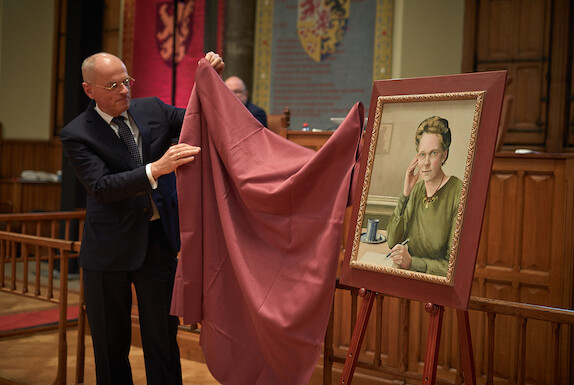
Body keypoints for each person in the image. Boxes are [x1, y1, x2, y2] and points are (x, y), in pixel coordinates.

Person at [60, 51, 224, 385]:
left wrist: (209, 79)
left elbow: (198, 117)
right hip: (107, 254)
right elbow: (101, 187)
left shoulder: (152, 109)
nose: (123, 90)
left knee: (163, 341)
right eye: (112, 85)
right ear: (89, 90)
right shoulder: (77, 133)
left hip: (157, 245)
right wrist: (156, 168)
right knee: (110, 346)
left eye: (126, 81)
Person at [386, 116, 462, 277]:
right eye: (422, 155)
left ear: (444, 155)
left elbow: (452, 266)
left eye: (433, 153)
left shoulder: (458, 191)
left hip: (437, 287)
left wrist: (412, 263)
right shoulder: (416, 189)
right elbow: (393, 241)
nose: (426, 162)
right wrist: (405, 194)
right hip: (408, 279)